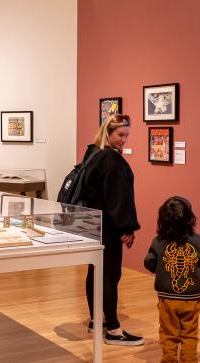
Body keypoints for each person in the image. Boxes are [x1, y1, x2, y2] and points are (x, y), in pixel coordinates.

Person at [79, 114, 144, 346]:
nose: (124, 140)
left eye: (127, 135)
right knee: (110, 275)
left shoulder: (92, 153)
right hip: (107, 226)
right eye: (120, 135)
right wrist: (126, 227)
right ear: (108, 132)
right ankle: (114, 330)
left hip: (90, 223)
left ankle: (98, 320)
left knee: (94, 271)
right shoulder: (110, 158)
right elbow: (117, 197)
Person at [144, 196, 200, 363]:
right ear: (190, 219)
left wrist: (162, 272)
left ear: (162, 220)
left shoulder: (158, 242)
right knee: (190, 334)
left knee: (168, 333)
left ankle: (168, 360)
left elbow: (149, 262)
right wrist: (196, 275)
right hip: (191, 298)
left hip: (167, 297)